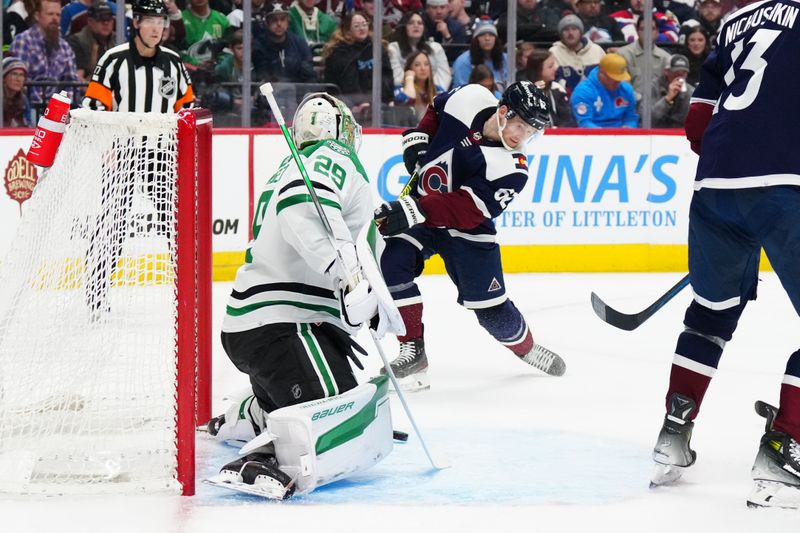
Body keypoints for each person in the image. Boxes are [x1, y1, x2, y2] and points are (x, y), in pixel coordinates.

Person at [207, 93, 397, 499]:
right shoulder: (332, 155)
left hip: (263, 326)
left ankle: (250, 414)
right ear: (335, 129)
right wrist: (347, 277)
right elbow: (302, 202)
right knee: (337, 412)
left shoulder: (294, 163)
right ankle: (267, 457)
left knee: (338, 398)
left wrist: (367, 292)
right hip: (284, 325)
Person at [649, 0, 800, 508]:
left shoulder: (735, 23)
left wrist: (744, 175)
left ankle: (673, 433)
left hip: (715, 186)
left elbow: (696, 125)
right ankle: (786, 448)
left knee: (710, 316)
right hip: (786, 189)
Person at [373, 81, 567, 392]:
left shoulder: (513, 168)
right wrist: (419, 140)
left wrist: (415, 209)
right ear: (503, 112)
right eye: (520, 126)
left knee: (491, 312)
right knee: (392, 264)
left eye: (531, 132)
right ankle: (413, 350)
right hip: (422, 212)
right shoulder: (471, 97)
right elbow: (438, 107)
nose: (522, 137)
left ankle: (526, 348)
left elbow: (466, 209)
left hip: (467, 231)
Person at [82, 0, 194, 318]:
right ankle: (96, 294)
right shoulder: (113, 60)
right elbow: (94, 108)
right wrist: (108, 148)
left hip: (160, 154)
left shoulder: (173, 62)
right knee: (111, 225)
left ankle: (186, 292)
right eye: (150, 21)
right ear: (136, 24)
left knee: (175, 224)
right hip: (123, 152)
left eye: (161, 22)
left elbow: (187, 109)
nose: (157, 28)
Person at [10, 0, 80, 106]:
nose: (55, 18)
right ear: (37, 16)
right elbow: (19, 80)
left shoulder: (65, 47)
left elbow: (72, 82)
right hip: (29, 106)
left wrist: (60, 105)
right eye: (50, 14)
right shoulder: (23, 41)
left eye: (58, 15)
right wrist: (42, 105)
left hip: (57, 109)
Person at [322, 11, 394, 110]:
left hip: (377, 102)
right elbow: (348, 81)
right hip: (347, 102)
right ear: (347, 31)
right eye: (356, 26)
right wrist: (360, 102)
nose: (362, 28)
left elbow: (387, 75)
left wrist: (388, 98)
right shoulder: (339, 51)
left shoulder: (377, 48)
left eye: (364, 24)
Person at [387, 11, 452, 94]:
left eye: (420, 23)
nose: (416, 25)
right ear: (403, 27)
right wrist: (415, 91)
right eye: (411, 23)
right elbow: (396, 78)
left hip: (433, 93)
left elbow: (444, 75)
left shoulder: (436, 48)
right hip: (404, 93)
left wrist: (430, 91)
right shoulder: (393, 48)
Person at [252, 2, 316, 83]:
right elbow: (262, 76)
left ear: (288, 22)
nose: (279, 24)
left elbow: (309, 75)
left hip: (298, 92)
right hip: (270, 93)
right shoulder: (259, 45)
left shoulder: (300, 44)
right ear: (267, 23)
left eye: (282, 19)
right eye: (274, 20)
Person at [616, 14, 672, 106]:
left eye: (652, 29)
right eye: (643, 29)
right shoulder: (622, 54)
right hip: (629, 107)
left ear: (657, 32)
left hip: (658, 110)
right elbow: (621, 86)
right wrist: (641, 101)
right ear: (637, 31)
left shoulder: (666, 58)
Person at [571, 52, 638, 127]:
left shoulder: (626, 89)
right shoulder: (583, 92)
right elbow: (584, 123)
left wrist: (627, 128)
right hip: (593, 136)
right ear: (601, 73)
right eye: (614, 78)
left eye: (620, 78)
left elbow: (631, 118)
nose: (618, 82)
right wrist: (607, 136)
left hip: (621, 135)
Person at [548, 13, 606, 95]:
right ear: (561, 34)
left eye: (574, 29)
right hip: (565, 100)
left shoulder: (596, 50)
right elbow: (551, 81)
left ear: (581, 32)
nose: (570, 33)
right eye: (566, 30)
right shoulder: (554, 52)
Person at [451, 18, 507, 96]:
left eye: (491, 35)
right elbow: (460, 91)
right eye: (482, 35)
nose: (487, 39)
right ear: (476, 39)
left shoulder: (506, 59)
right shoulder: (462, 61)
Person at [67, 1, 115, 84]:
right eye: (101, 19)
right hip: (88, 92)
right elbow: (78, 79)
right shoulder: (76, 41)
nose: (106, 23)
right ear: (90, 21)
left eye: (109, 19)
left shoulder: (118, 41)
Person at [525, 50, 575, 127]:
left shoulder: (557, 88)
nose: (555, 69)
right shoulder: (523, 90)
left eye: (554, 65)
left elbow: (567, 119)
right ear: (537, 70)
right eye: (550, 66)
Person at [394, 50, 445, 120]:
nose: (423, 68)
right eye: (417, 65)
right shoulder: (400, 90)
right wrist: (409, 78)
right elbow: (405, 99)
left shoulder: (439, 90)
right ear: (409, 69)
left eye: (426, 64)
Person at [181, 0, 230, 66]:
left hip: (217, 69)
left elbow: (229, 49)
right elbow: (176, 50)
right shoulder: (180, 20)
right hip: (189, 69)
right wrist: (196, 63)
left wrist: (218, 62)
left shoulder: (222, 20)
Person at [650, 53, 693, 128]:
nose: (680, 77)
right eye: (676, 73)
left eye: (683, 73)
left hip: (680, 135)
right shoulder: (652, 87)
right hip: (656, 133)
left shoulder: (690, 91)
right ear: (666, 72)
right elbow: (647, 119)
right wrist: (667, 99)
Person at [496, 0, 561, 45]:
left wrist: (524, 37)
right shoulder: (509, 15)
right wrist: (540, 26)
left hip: (546, 50)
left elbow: (554, 31)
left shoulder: (548, 13)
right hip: (517, 53)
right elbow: (504, 29)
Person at [2, 57, 33, 128]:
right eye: (14, 74)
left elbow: (29, 125)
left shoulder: (23, 99)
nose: (18, 79)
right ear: (4, 77)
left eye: (21, 75)